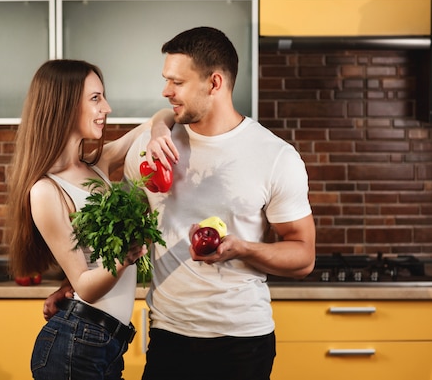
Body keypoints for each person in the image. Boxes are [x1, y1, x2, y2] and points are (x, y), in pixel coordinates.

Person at [44, 27, 316, 380]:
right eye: (165, 80)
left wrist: (242, 249)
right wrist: (77, 285)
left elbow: (303, 255)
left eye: (177, 82)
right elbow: (124, 238)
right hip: (168, 337)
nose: (165, 91)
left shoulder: (275, 156)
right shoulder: (150, 146)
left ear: (214, 83)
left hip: (243, 342)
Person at [5, 59, 175, 380]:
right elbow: (86, 285)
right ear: (64, 105)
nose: (107, 107)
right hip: (76, 346)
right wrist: (124, 256)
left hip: (106, 345)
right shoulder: (46, 190)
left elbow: (162, 116)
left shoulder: (98, 164)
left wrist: (159, 131)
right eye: (95, 98)